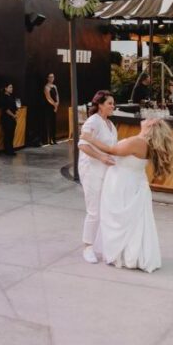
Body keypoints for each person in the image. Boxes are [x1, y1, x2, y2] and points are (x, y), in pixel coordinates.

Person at [80, 118, 173, 273]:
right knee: (132, 221)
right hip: (132, 182)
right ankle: (129, 253)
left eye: (151, 119)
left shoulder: (138, 142)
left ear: (151, 126)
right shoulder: (143, 142)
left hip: (123, 184)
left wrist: (90, 138)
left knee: (121, 220)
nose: (147, 118)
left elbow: (111, 150)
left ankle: (124, 254)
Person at [77, 90, 118, 264]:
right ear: (100, 105)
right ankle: (87, 246)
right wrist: (101, 157)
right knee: (93, 210)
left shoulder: (110, 124)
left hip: (105, 170)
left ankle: (100, 245)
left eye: (113, 103)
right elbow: (82, 145)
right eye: (110, 103)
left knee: (104, 208)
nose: (113, 106)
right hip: (91, 169)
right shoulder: (93, 121)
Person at [0, 82, 18, 156]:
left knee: (11, 134)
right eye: (10, 87)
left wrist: (15, 114)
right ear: (6, 88)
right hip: (6, 118)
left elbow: (14, 107)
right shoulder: (3, 97)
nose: (11, 89)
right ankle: (7, 150)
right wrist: (13, 115)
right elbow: (6, 109)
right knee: (7, 134)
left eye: (12, 87)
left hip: (12, 118)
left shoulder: (12, 96)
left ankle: (11, 149)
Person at [43, 73, 59, 145]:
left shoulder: (54, 86)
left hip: (55, 105)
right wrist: (54, 105)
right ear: (48, 78)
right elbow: (48, 97)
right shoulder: (46, 87)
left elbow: (57, 95)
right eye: (50, 77)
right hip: (49, 106)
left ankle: (54, 139)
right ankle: (49, 140)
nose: (52, 78)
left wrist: (57, 103)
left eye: (53, 77)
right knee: (49, 123)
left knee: (54, 123)